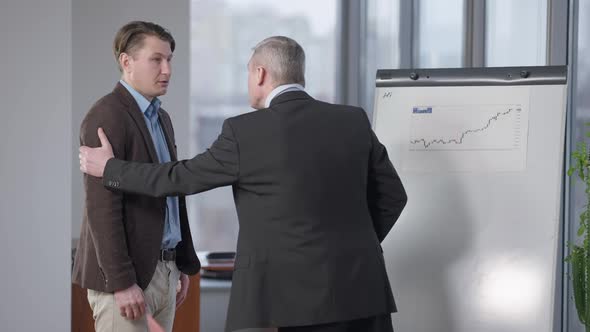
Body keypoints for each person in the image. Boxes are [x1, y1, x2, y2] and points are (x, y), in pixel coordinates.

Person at [79, 36, 407, 332]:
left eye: (248, 73)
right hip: (365, 289)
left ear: (261, 73)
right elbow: (394, 196)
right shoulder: (353, 120)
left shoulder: (245, 133)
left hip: (297, 301)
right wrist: (353, 246)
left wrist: (110, 168)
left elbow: (179, 178)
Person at [72, 21, 200, 332]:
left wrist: (178, 263)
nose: (167, 69)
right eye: (156, 59)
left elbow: (169, 188)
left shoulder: (161, 117)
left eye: (169, 59)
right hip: (128, 280)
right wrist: (122, 283)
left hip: (164, 272)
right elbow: (102, 209)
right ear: (127, 62)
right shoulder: (107, 115)